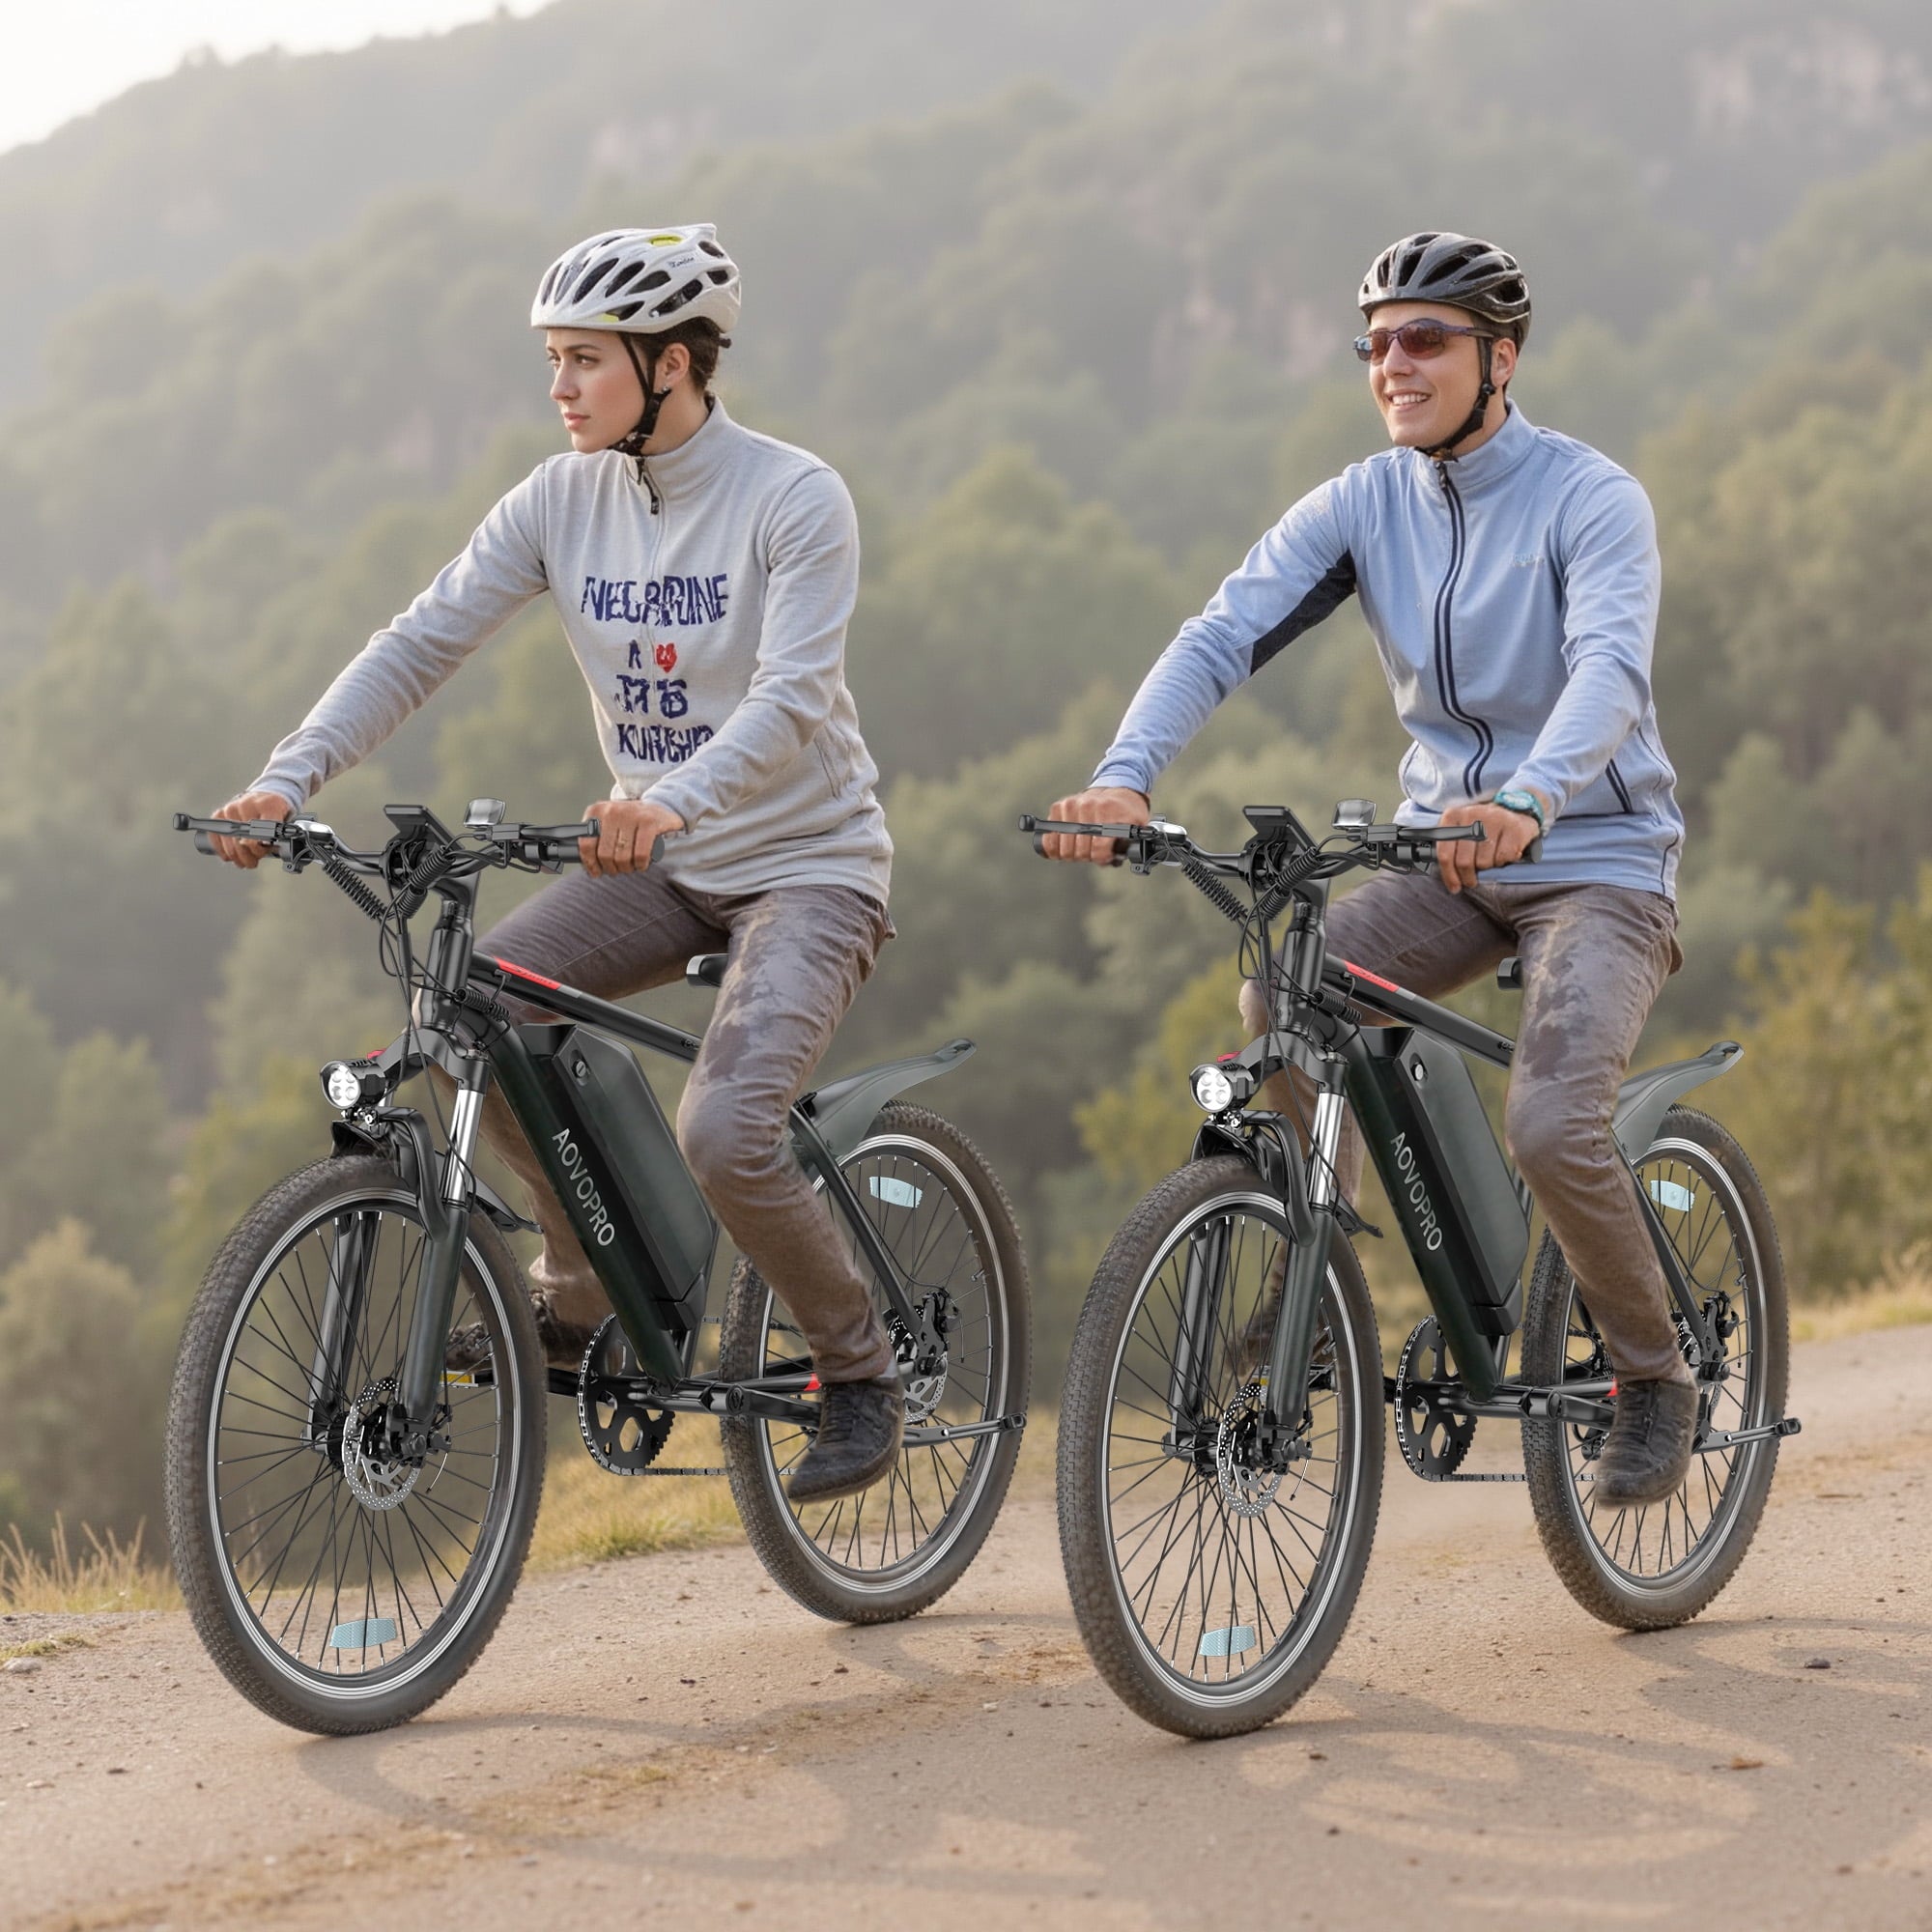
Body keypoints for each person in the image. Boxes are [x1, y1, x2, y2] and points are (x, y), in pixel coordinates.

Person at [208, 224, 902, 1504]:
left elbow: (795, 697)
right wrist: (288, 777)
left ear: (672, 363)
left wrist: (671, 800)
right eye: (554, 360)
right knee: (477, 1012)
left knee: (728, 1129)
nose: (560, 387)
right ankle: (581, 1300)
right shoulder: (559, 499)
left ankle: (859, 1374)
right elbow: (421, 641)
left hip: (808, 866)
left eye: (585, 359)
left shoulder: (794, 497)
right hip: (664, 861)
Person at [1042, 231, 1695, 1508]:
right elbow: (1221, 634)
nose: (1393, 363)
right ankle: (1316, 1263)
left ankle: (1653, 1375)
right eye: (1377, 343)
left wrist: (1531, 798)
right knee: (1282, 1000)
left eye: (1426, 340)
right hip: (1446, 856)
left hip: (1599, 859)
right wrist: (1126, 776)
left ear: (1502, 357)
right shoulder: (1363, 504)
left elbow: (1611, 675)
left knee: (1553, 1124)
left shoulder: (1591, 498)